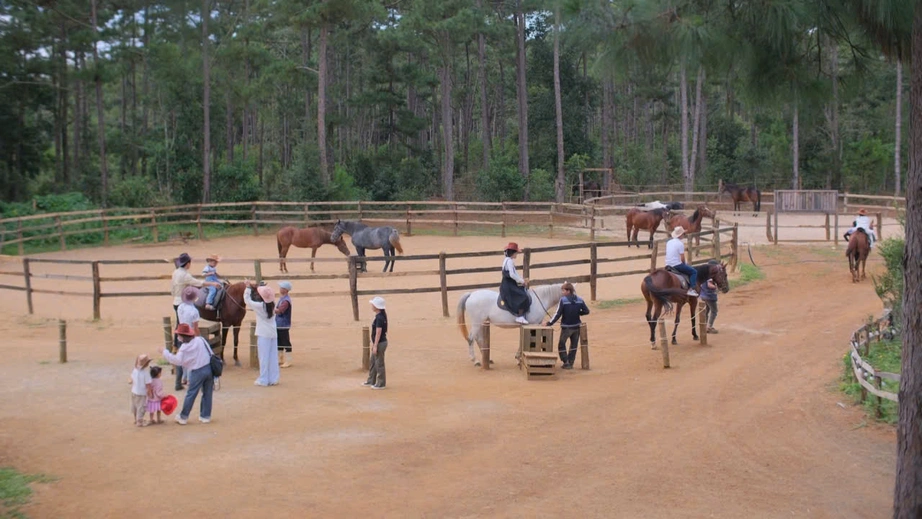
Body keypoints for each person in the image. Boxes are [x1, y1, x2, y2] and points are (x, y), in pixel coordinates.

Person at [170, 253, 218, 390]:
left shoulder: (175, 272)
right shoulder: (184, 275)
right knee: (186, 339)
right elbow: (199, 283)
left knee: (179, 326)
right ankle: (189, 378)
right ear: (188, 263)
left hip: (176, 301)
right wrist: (213, 283)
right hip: (181, 302)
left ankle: (177, 343)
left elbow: (173, 288)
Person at [162, 324, 214, 425]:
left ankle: (183, 416)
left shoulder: (184, 348)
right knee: (207, 393)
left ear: (182, 336)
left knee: (191, 394)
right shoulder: (200, 340)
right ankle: (205, 416)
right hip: (208, 368)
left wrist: (165, 353)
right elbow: (210, 352)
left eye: (178, 335)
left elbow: (177, 361)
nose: (177, 337)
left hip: (197, 371)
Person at [545, 282, 590, 369]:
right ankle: (571, 362)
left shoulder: (563, 300)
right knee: (573, 346)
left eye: (564, 290)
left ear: (568, 291)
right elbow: (586, 311)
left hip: (566, 327)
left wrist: (549, 323)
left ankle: (566, 361)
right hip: (577, 326)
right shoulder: (580, 299)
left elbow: (557, 314)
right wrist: (578, 313)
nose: (562, 292)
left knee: (561, 344)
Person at [244, 281, 280, 386]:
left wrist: (248, 288)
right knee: (273, 356)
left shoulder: (260, 306)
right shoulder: (272, 304)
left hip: (263, 333)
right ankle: (274, 378)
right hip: (273, 332)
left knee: (264, 357)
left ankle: (264, 379)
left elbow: (247, 300)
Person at [175, 286, 202, 390]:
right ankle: (190, 379)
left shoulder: (180, 307)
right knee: (192, 358)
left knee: (183, 357)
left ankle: (183, 378)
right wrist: (199, 338)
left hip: (182, 332)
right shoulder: (194, 311)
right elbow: (195, 327)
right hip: (190, 334)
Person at [500, 242, 531, 325]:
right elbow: (512, 274)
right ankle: (519, 316)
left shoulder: (507, 260)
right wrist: (522, 281)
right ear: (513, 253)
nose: (517, 254)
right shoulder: (509, 261)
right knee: (523, 296)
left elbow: (515, 273)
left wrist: (521, 280)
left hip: (509, 283)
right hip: (508, 285)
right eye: (516, 252)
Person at [363, 297, 388, 390]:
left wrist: (375, 345)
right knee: (373, 362)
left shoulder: (379, 318)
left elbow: (378, 332)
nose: (372, 306)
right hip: (380, 342)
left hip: (380, 343)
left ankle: (381, 383)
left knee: (379, 363)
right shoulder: (381, 316)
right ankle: (371, 380)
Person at [664, 227, 698, 297]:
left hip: (667, 264)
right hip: (676, 265)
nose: (684, 235)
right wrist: (684, 264)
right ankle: (692, 289)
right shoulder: (680, 244)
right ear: (680, 235)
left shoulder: (669, 242)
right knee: (694, 272)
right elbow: (682, 257)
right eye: (683, 234)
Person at [130, 354, 153, 427]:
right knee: (141, 407)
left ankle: (135, 419)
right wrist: (150, 393)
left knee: (135, 406)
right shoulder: (146, 373)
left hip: (134, 391)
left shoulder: (135, 370)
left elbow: (131, 378)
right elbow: (148, 384)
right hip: (141, 393)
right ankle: (139, 421)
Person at [274, 281, 293, 368]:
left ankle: (288, 360)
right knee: (279, 342)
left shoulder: (285, 301)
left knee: (285, 342)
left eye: (281, 287)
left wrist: (270, 309)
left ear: (285, 290)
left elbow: (280, 310)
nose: (280, 289)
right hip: (279, 323)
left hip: (283, 324)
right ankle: (280, 358)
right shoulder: (283, 299)